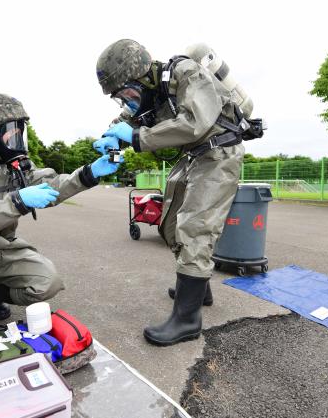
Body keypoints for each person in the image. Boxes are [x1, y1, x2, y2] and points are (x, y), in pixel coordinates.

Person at [94, 39, 246, 346]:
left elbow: (194, 122)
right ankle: (199, 289)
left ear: (142, 76)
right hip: (193, 157)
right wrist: (110, 137)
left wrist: (137, 138)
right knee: (171, 223)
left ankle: (187, 320)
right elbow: (128, 119)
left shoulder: (186, 73)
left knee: (195, 226)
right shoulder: (151, 94)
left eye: (127, 91)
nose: (127, 100)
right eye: (120, 96)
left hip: (219, 154)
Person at [0, 93, 120, 325]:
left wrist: (88, 174)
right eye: (11, 130)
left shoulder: (12, 168)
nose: (17, 137)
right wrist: (16, 202)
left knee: (48, 281)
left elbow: (51, 186)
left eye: (20, 130)